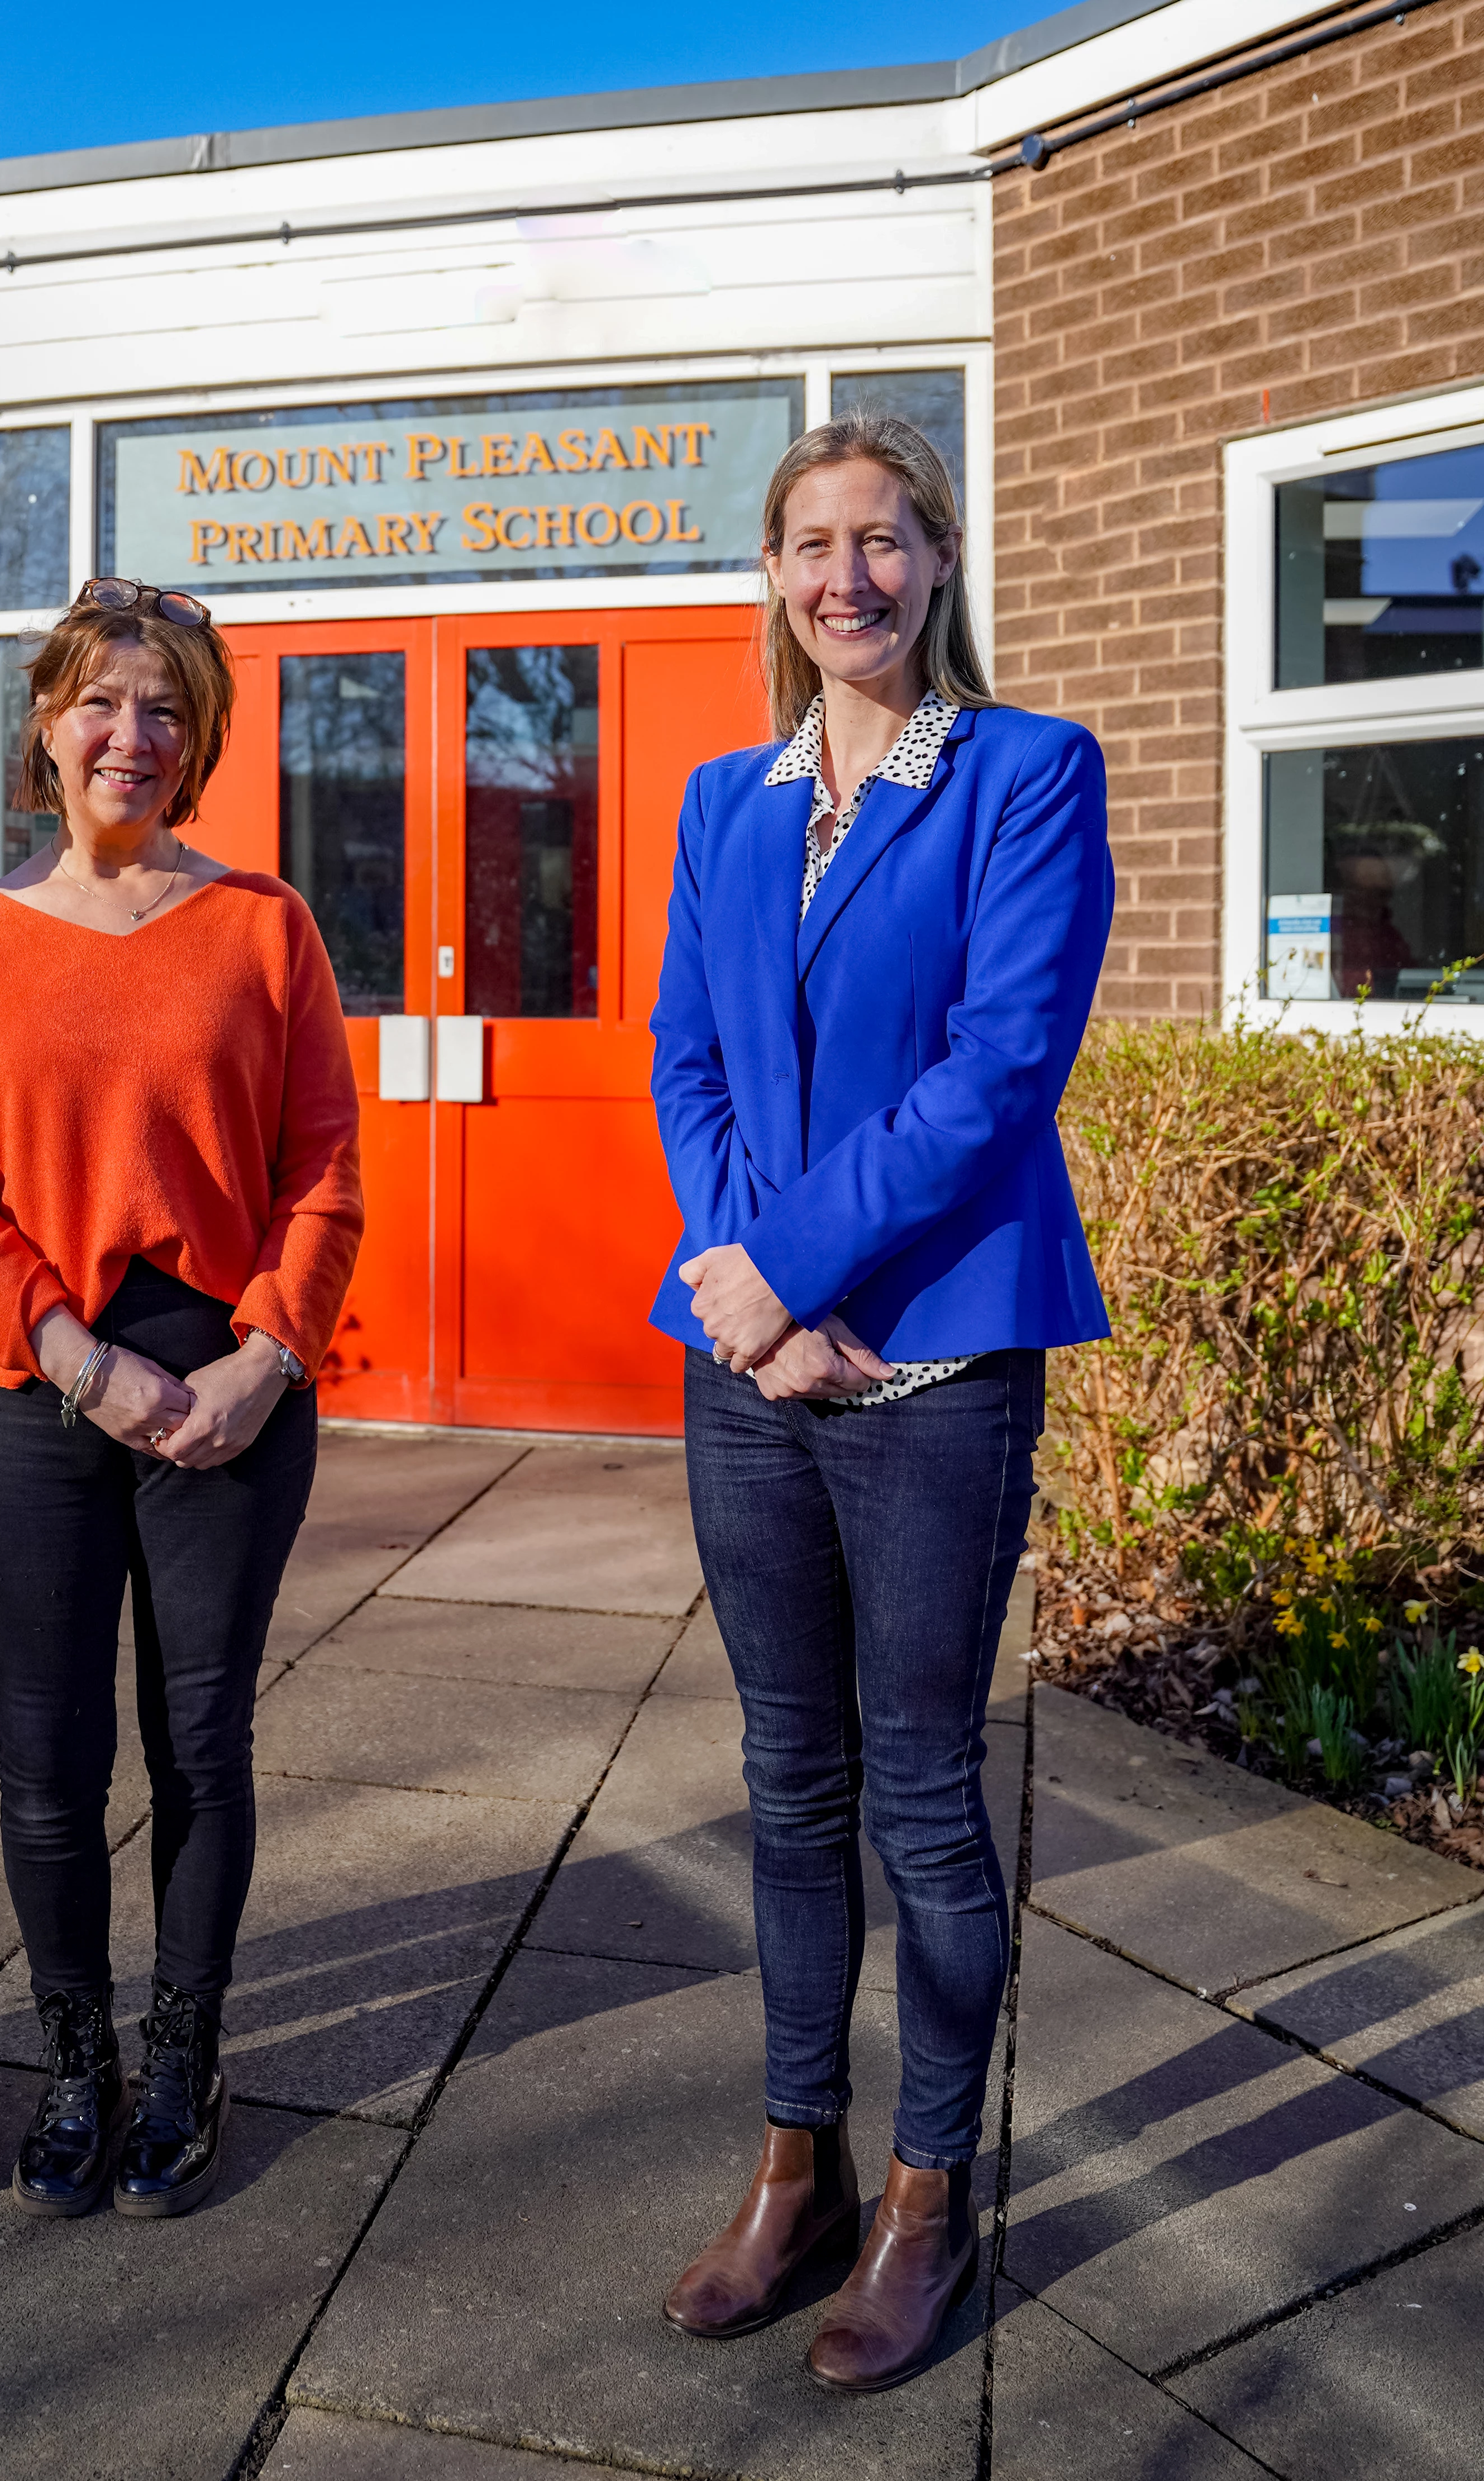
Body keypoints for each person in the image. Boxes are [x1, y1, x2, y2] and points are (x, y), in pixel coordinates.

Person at [650, 415, 1113, 2391]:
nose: (849, 575)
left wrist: (796, 1272)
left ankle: (932, 2196)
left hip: (932, 1371)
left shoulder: (1025, 774)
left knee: (921, 1790)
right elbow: (692, 1061)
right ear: (773, 576)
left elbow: (998, 1073)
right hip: (756, 1375)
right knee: (784, 1781)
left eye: (885, 540)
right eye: (812, 543)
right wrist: (753, 1305)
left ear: (939, 563)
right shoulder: (725, 799)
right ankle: (793, 2167)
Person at [0, 578, 362, 2221]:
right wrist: (71, 1357)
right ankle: (77, 2061)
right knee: (44, 1756)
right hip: (38, 1388)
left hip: (227, 1390)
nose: (130, 734)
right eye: (101, 701)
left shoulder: (264, 926)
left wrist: (270, 1355)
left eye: (165, 708)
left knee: (201, 1744)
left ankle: (186, 2056)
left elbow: (322, 1168)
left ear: (200, 739)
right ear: (47, 723)